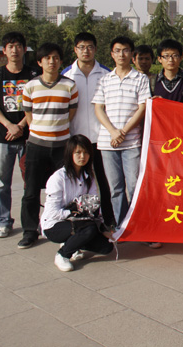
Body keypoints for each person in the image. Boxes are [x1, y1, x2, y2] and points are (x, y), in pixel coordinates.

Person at [19, 43, 79, 249]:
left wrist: (57, 130)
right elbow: (29, 115)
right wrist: (41, 131)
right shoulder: (30, 86)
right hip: (36, 145)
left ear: (61, 61)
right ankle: (30, 231)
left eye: (55, 58)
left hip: (62, 146)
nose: (51, 62)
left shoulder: (69, 85)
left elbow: (71, 112)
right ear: (39, 62)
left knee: (65, 189)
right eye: (47, 58)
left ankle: (63, 228)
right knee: (31, 189)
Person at [0, 31, 39, 238]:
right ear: (4, 51)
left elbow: (37, 103)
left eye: (18, 46)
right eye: (10, 46)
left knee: (30, 183)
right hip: (3, 137)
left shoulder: (34, 74)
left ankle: (31, 223)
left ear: (24, 49)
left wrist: (21, 125)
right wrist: (9, 125)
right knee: (2, 183)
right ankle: (4, 221)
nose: (14, 50)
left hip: (29, 137)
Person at [93, 36, 151, 227]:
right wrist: (112, 132)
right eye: (117, 51)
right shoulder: (104, 79)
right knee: (115, 188)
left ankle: (137, 225)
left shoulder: (140, 79)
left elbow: (143, 107)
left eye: (125, 50)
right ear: (112, 54)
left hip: (131, 141)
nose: (121, 54)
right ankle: (121, 226)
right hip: (107, 142)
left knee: (134, 186)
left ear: (131, 54)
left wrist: (123, 132)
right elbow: (98, 108)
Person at [61, 32, 115, 227]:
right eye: (82, 47)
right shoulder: (66, 76)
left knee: (105, 182)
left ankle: (109, 220)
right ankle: (81, 221)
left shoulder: (106, 74)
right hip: (76, 139)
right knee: (77, 183)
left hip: (101, 138)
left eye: (90, 47)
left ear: (95, 49)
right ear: (75, 49)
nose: (86, 51)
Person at [41, 135, 114, 272]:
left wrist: (102, 228)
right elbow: (52, 212)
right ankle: (63, 254)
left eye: (86, 152)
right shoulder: (58, 178)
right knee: (88, 229)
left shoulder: (89, 176)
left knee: (106, 247)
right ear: (70, 154)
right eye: (78, 152)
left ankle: (72, 243)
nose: (82, 156)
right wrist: (73, 212)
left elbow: (93, 206)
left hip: (79, 222)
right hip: (55, 224)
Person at [151, 38, 183, 104]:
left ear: (181, 58)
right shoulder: (152, 82)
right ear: (159, 59)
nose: (171, 60)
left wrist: (164, 103)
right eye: (166, 56)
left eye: (175, 56)